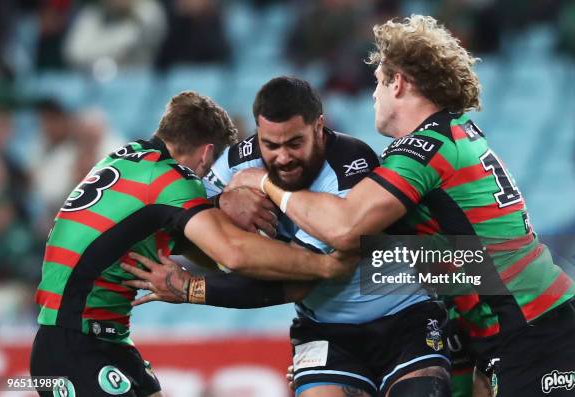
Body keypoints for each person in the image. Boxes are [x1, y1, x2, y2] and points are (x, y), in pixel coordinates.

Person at [230, 15, 575, 397]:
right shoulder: (449, 134)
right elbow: (424, 257)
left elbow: (346, 229)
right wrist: (336, 359)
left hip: (531, 319)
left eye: (377, 83)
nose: (374, 95)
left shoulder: (425, 148)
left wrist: (266, 183)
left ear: (397, 82)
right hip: (494, 323)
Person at [123, 77, 452, 397]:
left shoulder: (351, 164)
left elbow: (300, 280)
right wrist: (219, 202)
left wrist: (193, 288)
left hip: (404, 316)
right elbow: (182, 222)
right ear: (258, 134)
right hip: (325, 331)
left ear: (318, 127)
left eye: (295, 143)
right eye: (271, 145)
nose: (282, 157)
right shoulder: (236, 162)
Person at [29, 91, 353, 397]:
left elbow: (211, 255)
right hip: (74, 344)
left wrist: (220, 210)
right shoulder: (171, 181)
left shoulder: (127, 160)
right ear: (207, 153)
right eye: (212, 171)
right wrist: (324, 265)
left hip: (98, 339)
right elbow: (235, 253)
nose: (209, 181)